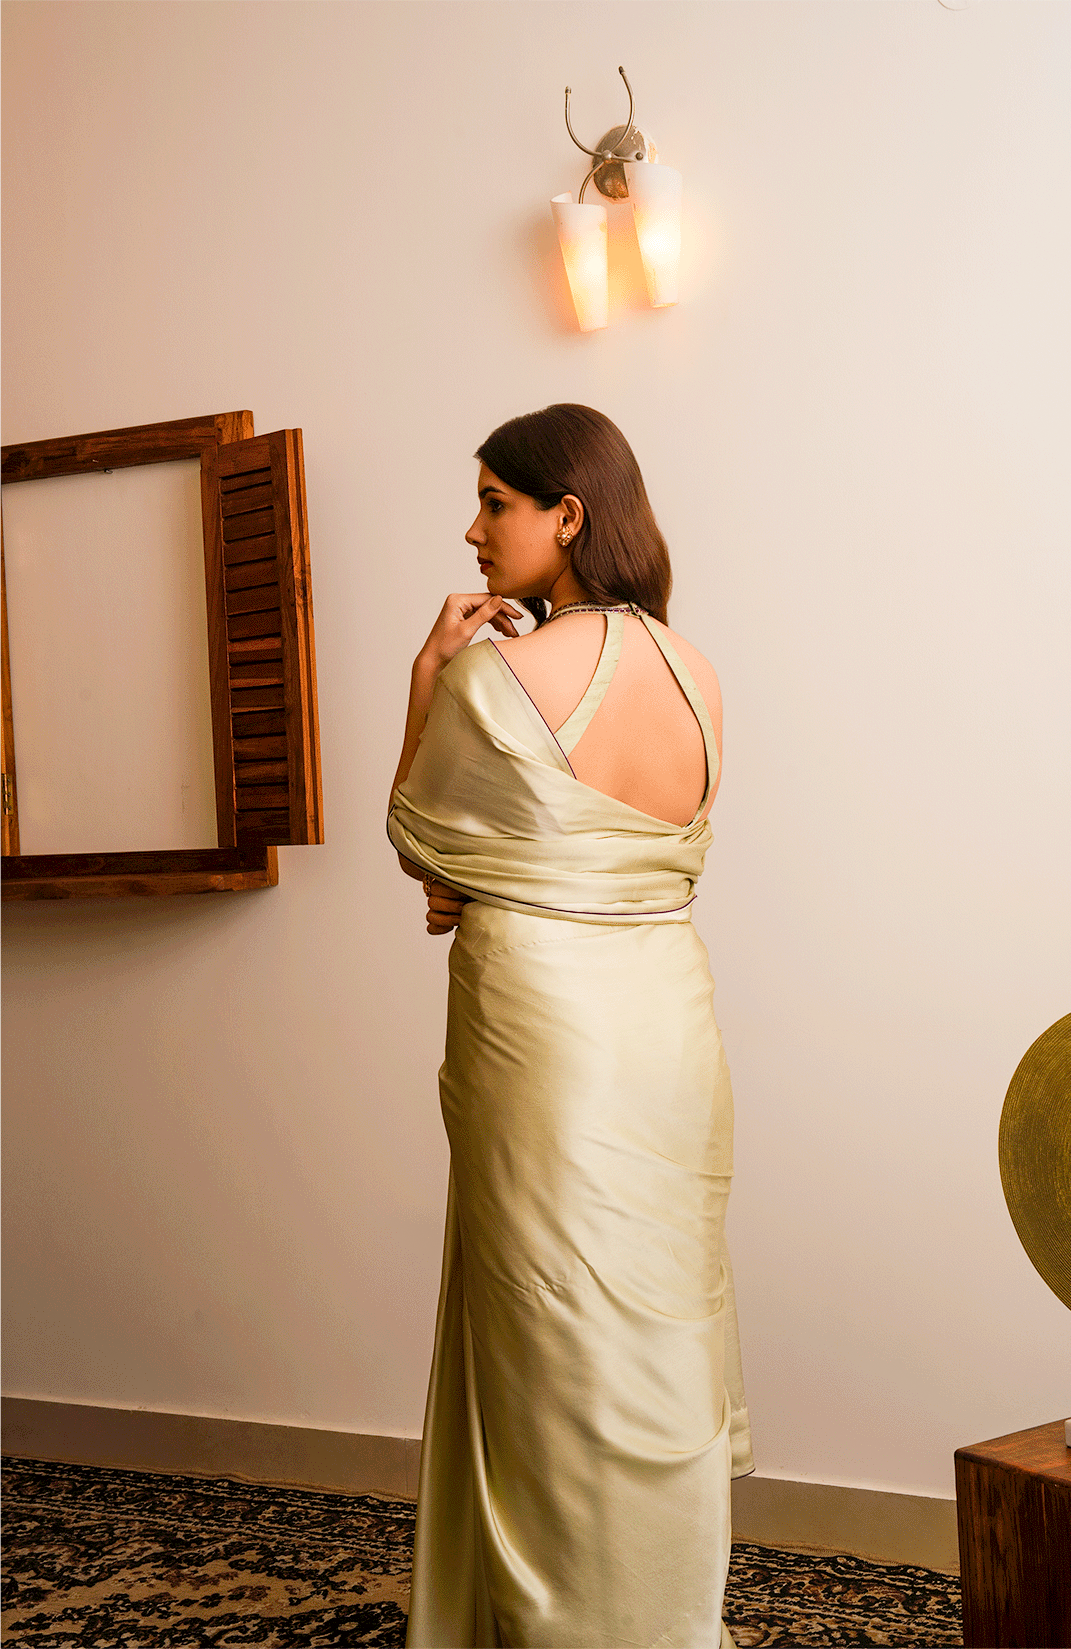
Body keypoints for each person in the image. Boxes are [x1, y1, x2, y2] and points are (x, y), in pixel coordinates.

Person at [388, 404, 753, 1649]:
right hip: (667, 1015)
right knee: (654, 1311)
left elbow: (420, 844)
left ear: (568, 514)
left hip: (544, 1022)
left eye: (494, 501)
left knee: (542, 1319)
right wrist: (484, 873)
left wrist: (427, 679)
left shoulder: (495, 676)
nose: (473, 529)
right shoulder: (697, 672)